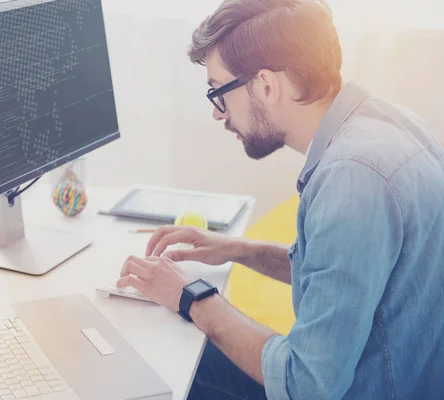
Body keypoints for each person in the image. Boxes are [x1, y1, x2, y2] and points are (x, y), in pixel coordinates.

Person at [115, 0, 444, 398]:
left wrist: (191, 297)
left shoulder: (351, 178)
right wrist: (235, 249)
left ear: (267, 86)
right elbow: (340, 274)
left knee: (165, 355)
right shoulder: (388, 123)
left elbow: (305, 385)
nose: (219, 114)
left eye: (218, 92)